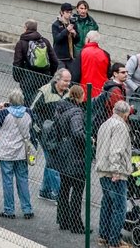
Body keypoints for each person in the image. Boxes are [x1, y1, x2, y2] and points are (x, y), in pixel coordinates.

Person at [0, 89, 35, 220]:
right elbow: (32, 126)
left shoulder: (4, 113)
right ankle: (27, 209)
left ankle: (9, 210)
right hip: (22, 152)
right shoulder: (28, 112)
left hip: (6, 152)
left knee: (8, 181)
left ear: (10, 101)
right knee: (23, 180)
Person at [30, 68, 72, 203]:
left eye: (69, 81)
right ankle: (59, 194)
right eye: (65, 81)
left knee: (51, 162)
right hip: (46, 135)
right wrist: (40, 130)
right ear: (57, 79)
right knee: (54, 162)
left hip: (60, 135)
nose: (68, 84)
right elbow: (31, 111)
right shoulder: (44, 91)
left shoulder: (68, 93)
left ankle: (45, 191)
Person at [50, 85, 87, 233]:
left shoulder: (61, 108)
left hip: (63, 155)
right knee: (77, 191)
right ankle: (76, 225)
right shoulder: (77, 113)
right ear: (79, 96)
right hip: (76, 156)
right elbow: (77, 132)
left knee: (64, 189)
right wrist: (89, 140)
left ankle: (63, 220)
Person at [95, 100, 133, 248]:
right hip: (114, 172)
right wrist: (117, 170)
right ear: (125, 114)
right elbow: (116, 150)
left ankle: (103, 236)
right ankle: (114, 241)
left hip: (103, 169)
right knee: (119, 207)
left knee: (107, 203)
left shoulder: (105, 124)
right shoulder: (120, 127)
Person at [12, 19, 59, 110]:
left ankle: (28, 120)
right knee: (40, 102)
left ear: (25, 28)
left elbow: (17, 62)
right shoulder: (45, 41)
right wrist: (49, 75)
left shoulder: (21, 43)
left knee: (27, 102)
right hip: (43, 77)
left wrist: (18, 77)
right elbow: (55, 61)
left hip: (28, 78)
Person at [79, 30, 111, 98]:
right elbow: (108, 73)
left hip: (84, 91)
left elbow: (76, 72)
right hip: (100, 92)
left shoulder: (82, 52)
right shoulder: (105, 54)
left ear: (88, 39)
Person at [50, 3, 79, 78]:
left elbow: (77, 41)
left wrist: (75, 34)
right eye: (67, 12)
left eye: (70, 12)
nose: (69, 14)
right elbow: (57, 39)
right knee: (60, 77)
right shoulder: (56, 25)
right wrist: (66, 30)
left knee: (73, 77)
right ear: (62, 12)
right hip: (60, 57)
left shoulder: (73, 24)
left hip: (70, 57)